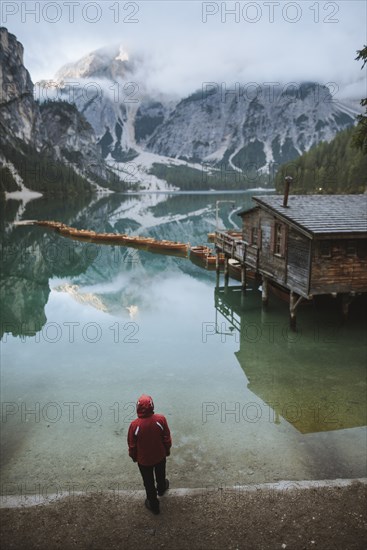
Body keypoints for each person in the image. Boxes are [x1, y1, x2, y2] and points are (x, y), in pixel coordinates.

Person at [127, 394, 172, 515]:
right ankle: (162, 489)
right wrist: (167, 450)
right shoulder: (160, 420)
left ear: (137, 408)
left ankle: (154, 505)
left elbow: (132, 445)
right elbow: (166, 438)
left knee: (148, 482)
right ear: (152, 405)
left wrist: (134, 457)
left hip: (144, 461)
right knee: (161, 474)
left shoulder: (134, 425)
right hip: (160, 456)